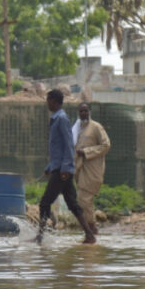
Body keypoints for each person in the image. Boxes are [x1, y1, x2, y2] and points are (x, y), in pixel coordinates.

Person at [37, 89, 95, 244]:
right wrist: (50, 166)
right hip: (59, 168)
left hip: (62, 170)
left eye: (48, 100)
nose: (47, 103)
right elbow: (58, 148)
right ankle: (89, 235)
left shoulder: (61, 119)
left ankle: (40, 236)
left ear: (54, 101)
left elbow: (69, 145)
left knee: (45, 203)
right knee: (72, 203)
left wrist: (65, 168)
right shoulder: (56, 119)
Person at [73, 103, 110, 238]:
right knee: (84, 201)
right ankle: (91, 232)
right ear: (78, 113)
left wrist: (87, 152)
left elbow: (106, 145)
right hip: (80, 170)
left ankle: (92, 230)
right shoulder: (78, 129)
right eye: (81, 111)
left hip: (93, 170)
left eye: (85, 110)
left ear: (89, 111)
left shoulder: (96, 127)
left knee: (84, 199)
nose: (83, 113)